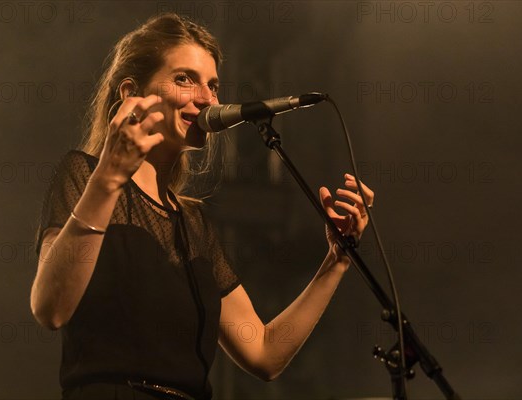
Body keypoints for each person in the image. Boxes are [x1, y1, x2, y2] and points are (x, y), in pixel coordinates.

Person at [31, 12, 374, 400]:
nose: (207, 99)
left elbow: (263, 352)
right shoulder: (82, 175)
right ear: (130, 94)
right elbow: (50, 308)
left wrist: (337, 260)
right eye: (185, 79)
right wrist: (108, 179)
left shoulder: (193, 223)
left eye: (212, 85)